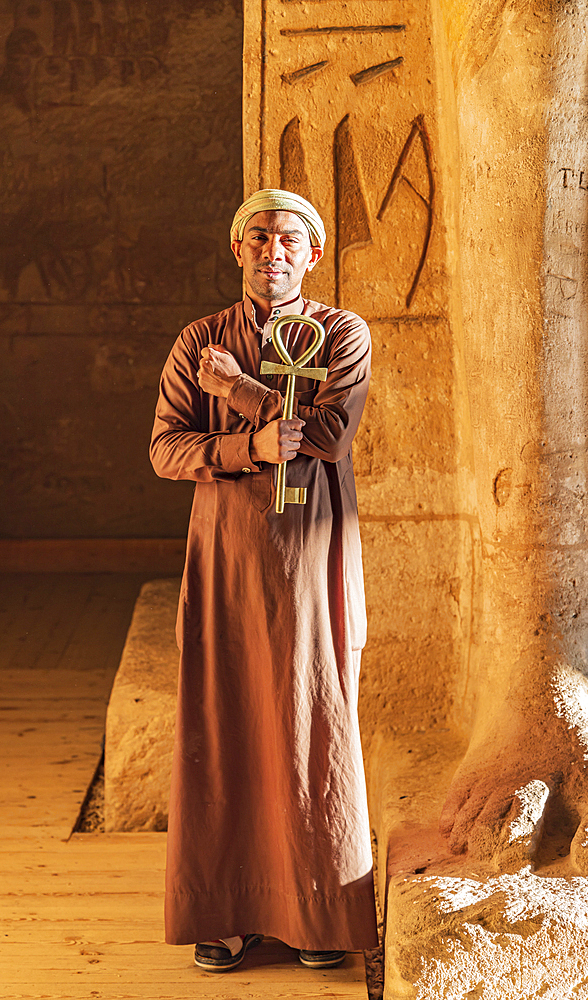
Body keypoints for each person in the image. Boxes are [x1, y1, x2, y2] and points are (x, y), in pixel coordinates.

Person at [149, 189, 378, 972]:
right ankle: (226, 912)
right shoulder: (200, 340)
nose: (271, 251)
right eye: (257, 239)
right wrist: (245, 447)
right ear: (238, 252)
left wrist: (242, 395)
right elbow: (165, 449)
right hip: (225, 554)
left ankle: (315, 917)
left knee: (309, 715)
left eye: (288, 240)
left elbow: (326, 436)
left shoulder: (342, 333)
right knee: (226, 719)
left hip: (310, 556)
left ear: (312, 254)